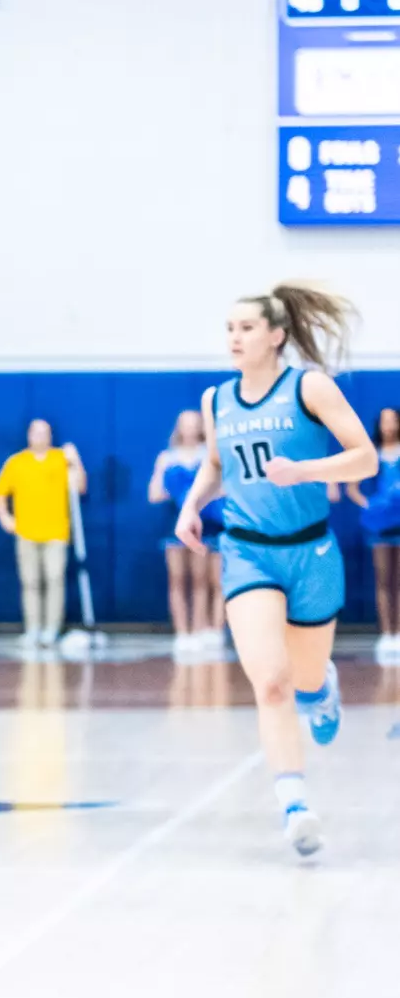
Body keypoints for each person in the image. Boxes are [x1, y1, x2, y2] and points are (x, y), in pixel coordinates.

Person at [176, 283, 375, 858]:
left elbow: (362, 455)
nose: (234, 338)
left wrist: (307, 470)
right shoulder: (217, 400)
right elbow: (216, 465)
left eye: (245, 328)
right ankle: (294, 804)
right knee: (269, 680)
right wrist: (193, 505)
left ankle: (324, 690)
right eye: (229, 329)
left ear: (276, 336)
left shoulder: (308, 386)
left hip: (311, 550)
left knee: (307, 680)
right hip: (247, 549)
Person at [0, 420, 87, 649]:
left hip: (56, 532)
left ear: (50, 435)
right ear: (28, 435)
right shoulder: (17, 462)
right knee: (30, 582)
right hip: (26, 532)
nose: (40, 437)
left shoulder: (61, 459)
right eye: (36, 432)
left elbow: (80, 488)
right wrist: (5, 516)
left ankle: (51, 630)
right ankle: (33, 629)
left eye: (44, 433)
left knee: (55, 580)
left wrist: (76, 462)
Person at [148, 409, 225, 658]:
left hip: (206, 523)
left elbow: (223, 488)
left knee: (203, 579)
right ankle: (183, 633)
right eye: (185, 425)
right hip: (174, 524)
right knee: (178, 580)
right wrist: (177, 489)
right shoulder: (167, 458)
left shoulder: (210, 455)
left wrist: (199, 497)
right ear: (178, 428)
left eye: (195, 424)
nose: (190, 429)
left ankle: (201, 628)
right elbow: (154, 494)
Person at [345, 407, 400, 661]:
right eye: (385, 421)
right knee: (383, 580)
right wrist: (370, 505)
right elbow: (352, 487)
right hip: (380, 527)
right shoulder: (373, 455)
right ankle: (386, 633)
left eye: (393, 420)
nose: (389, 425)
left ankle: (398, 633)